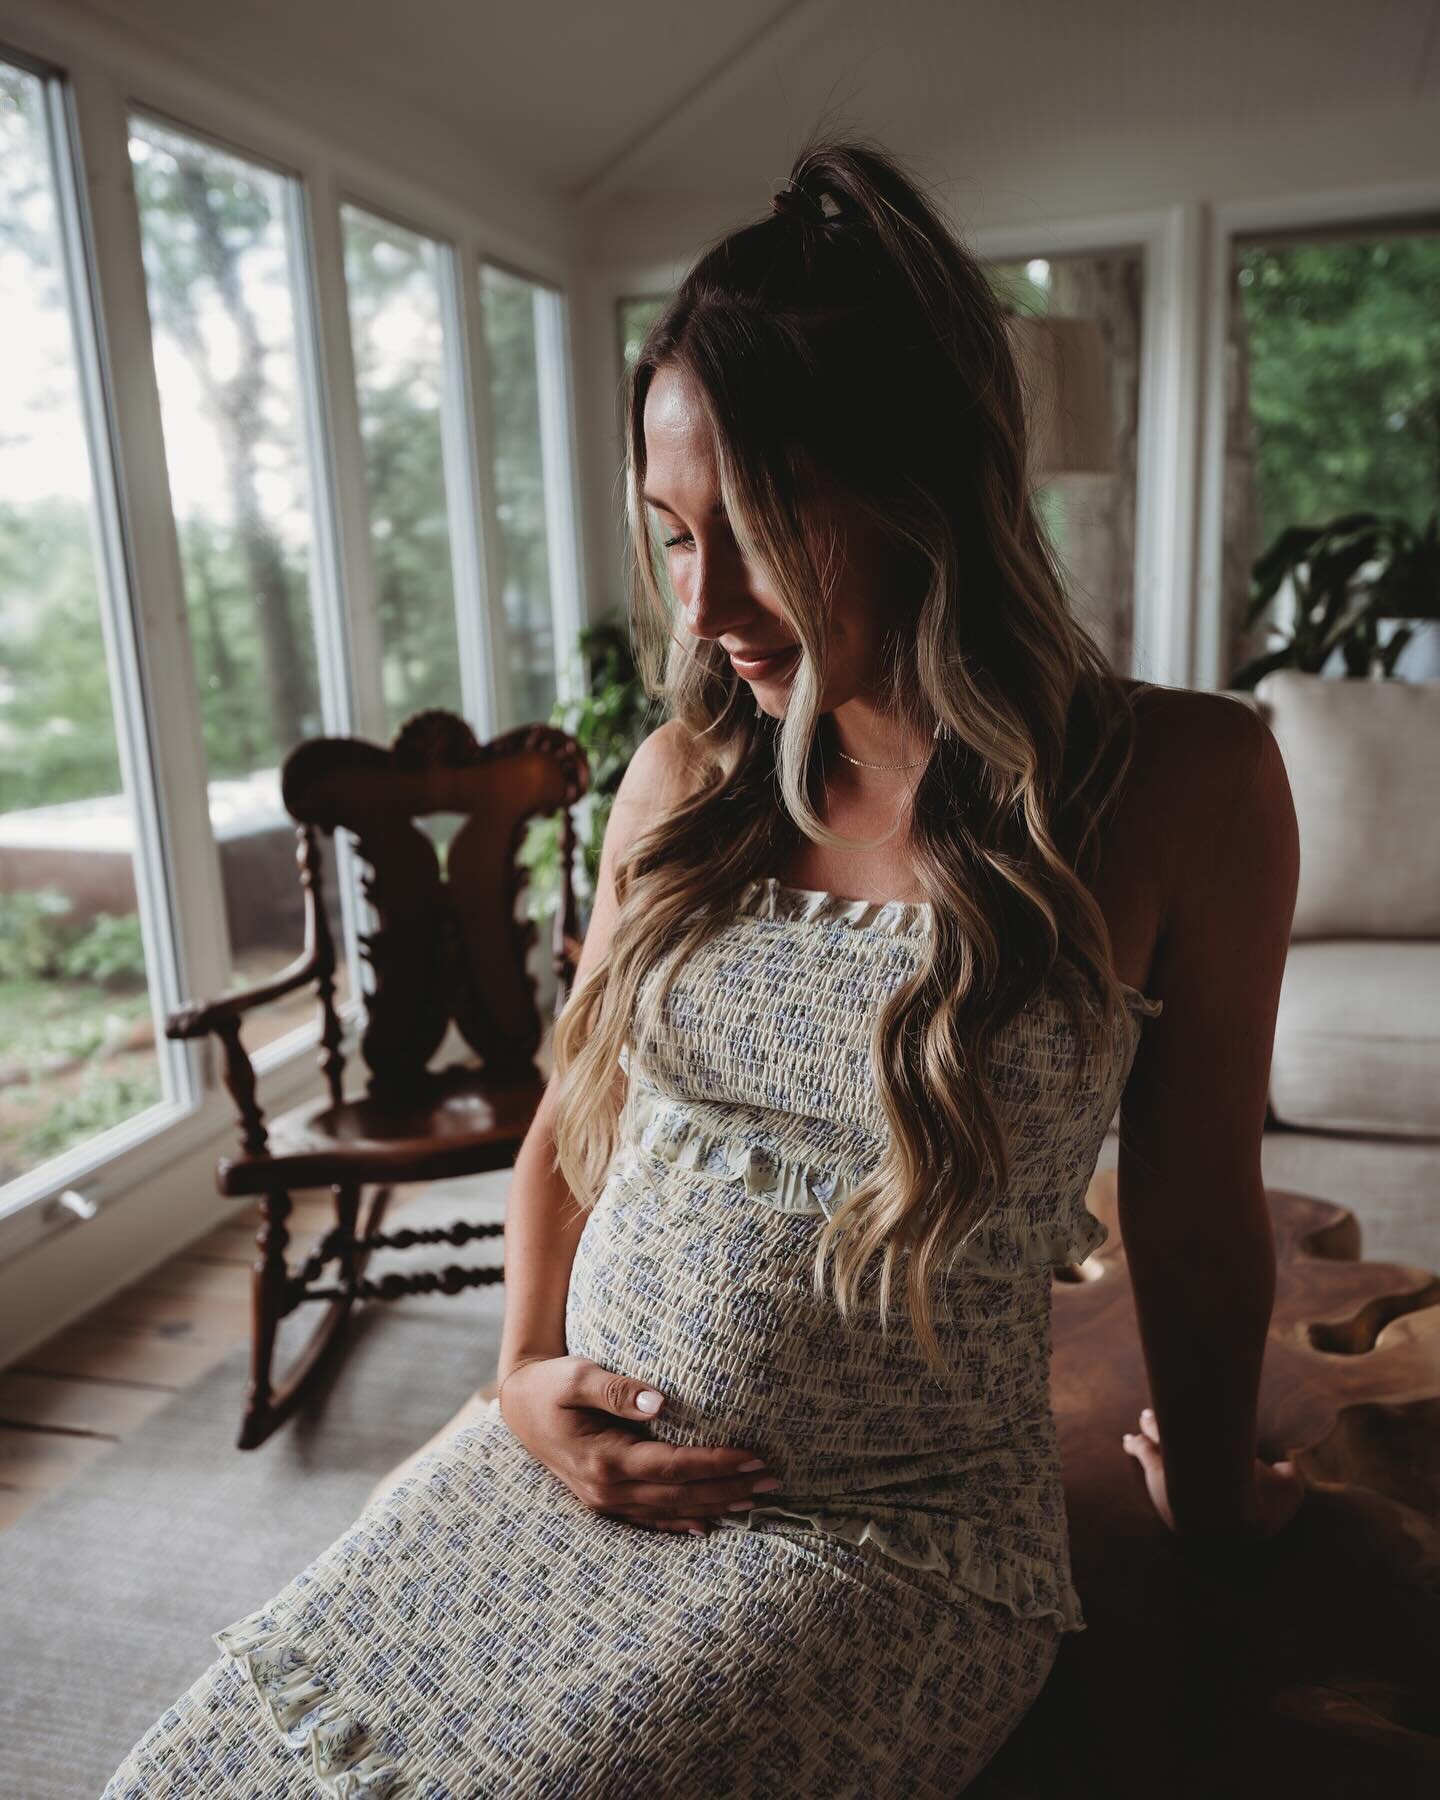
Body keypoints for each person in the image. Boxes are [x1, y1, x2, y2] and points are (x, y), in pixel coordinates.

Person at [103, 134, 1305, 1799]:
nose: (706, 600)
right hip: (546, 1478)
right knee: (196, 1772)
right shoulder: (686, 780)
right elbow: (575, 1128)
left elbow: (1190, 1202)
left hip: (882, 1550)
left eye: (757, 527)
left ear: (923, 488)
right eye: (674, 535)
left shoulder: (1184, 784)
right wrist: (521, 1379)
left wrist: (1223, 1481)